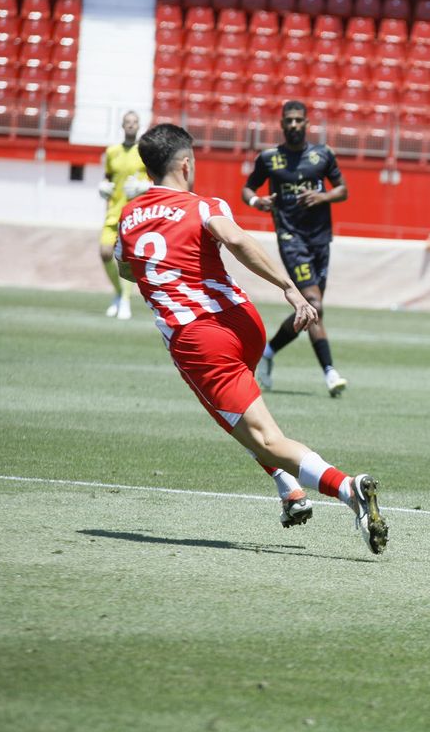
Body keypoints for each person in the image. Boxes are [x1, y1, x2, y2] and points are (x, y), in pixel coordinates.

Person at [113, 124, 387, 553]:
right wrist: (289, 288)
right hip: (243, 322)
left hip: (198, 338)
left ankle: (347, 488)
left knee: (261, 436)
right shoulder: (205, 205)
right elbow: (237, 239)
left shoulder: (128, 217)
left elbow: (127, 269)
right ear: (185, 165)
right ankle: (288, 489)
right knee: (240, 418)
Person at [242, 100, 349, 397]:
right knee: (314, 303)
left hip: (320, 239)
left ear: (306, 123)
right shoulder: (269, 158)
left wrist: (322, 197)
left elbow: (343, 190)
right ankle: (330, 372)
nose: (293, 125)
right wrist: (256, 202)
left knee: (313, 310)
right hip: (291, 239)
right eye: (288, 120)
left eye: (298, 120)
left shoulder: (322, 155)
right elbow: (247, 188)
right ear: (281, 124)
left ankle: (268, 352)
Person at [97, 110, 148, 319]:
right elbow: (108, 177)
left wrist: (144, 187)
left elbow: (156, 180)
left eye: (134, 122)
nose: (131, 125)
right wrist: (103, 187)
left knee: (126, 259)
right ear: (122, 125)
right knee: (105, 253)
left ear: (139, 126)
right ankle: (119, 293)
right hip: (113, 211)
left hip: (134, 214)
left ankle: (125, 300)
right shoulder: (112, 152)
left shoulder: (145, 151)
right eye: (127, 122)